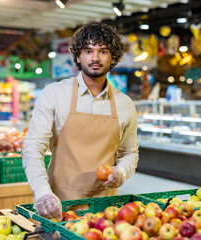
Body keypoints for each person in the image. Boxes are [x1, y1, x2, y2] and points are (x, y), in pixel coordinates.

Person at [22, 22, 139, 221]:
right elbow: (33, 148)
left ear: (113, 58)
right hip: (60, 205)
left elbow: (130, 152)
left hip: (106, 209)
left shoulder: (125, 104)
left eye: (103, 51)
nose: (95, 58)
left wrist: (121, 172)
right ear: (78, 56)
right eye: (88, 51)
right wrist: (43, 193)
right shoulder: (54, 94)